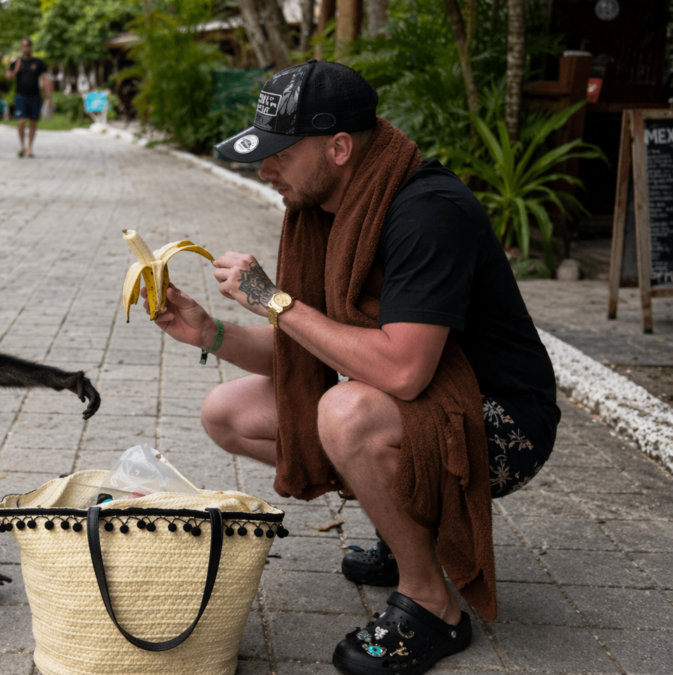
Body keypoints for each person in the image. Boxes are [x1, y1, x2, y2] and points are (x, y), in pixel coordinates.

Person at [147, 60, 560, 675]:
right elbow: (308, 346)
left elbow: (401, 372)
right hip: (427, 404)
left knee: (347, 413)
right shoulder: (329, 209)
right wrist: (212, 331)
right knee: (228, 413)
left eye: (281, 153)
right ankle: (406, 539)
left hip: (503, 421)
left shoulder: (426, 212)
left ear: (339, 147)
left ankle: (432, 606)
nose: (266, 170)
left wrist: (273, 299)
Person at [6, 38, 52, 158]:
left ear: (31, 47)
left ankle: (30, 148)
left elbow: (45, 80)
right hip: (20, 96)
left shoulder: (38, 62)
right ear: (21, 48)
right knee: (21, 122)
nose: (25, 48)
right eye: (23, 46)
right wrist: (14, 69)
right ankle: (22, 145)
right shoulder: (16, 62)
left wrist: (48, 97)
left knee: (33, 123)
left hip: (35, 96)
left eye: (27, 46)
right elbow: (8, 77)